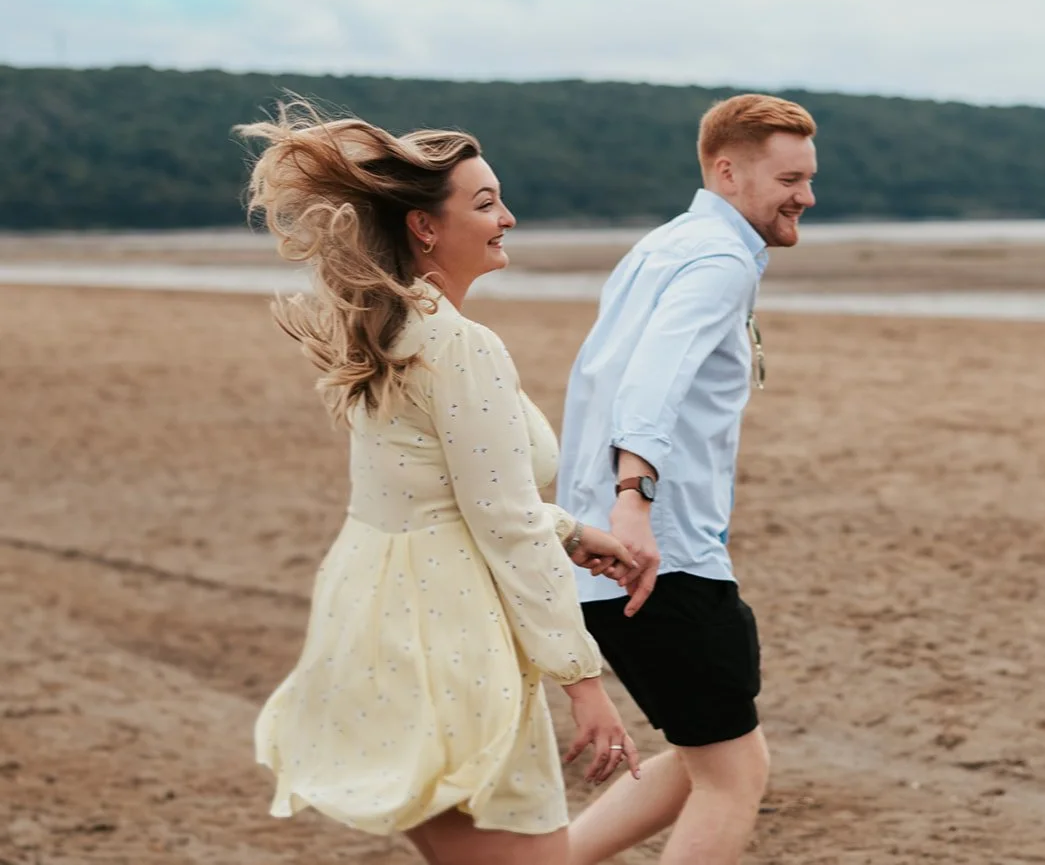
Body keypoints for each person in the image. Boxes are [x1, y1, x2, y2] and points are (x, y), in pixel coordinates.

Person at [245, 102, 642, 865]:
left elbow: (440, 490)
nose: (509, 218)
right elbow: (503, 524)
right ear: (425, 226)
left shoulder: (389, 329)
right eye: (486, 203)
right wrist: (582, 679)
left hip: (382, 622)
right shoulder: (460, 344)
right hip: (448, 637)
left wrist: (567, 528)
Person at [558, 94, 819, 864]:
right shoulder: (720, 259)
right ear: (728, 170)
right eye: (790, 177)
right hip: (658, 558)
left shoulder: (661, 247)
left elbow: (601, 383)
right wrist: (633, 501)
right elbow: (650, 382)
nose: (806, 194)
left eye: (809, 176)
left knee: (701, 758)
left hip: (618, 554)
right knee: (736, 773)